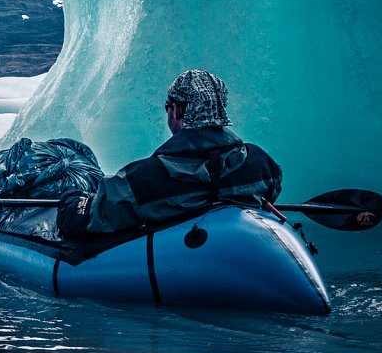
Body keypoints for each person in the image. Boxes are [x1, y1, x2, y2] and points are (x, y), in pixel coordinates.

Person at [56, 69, 283, 239]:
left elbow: (88, 219)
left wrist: (72, 199)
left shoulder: (144, 178)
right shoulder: (261, 162)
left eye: (168, 106)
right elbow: (270, 192)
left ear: (175, 109)